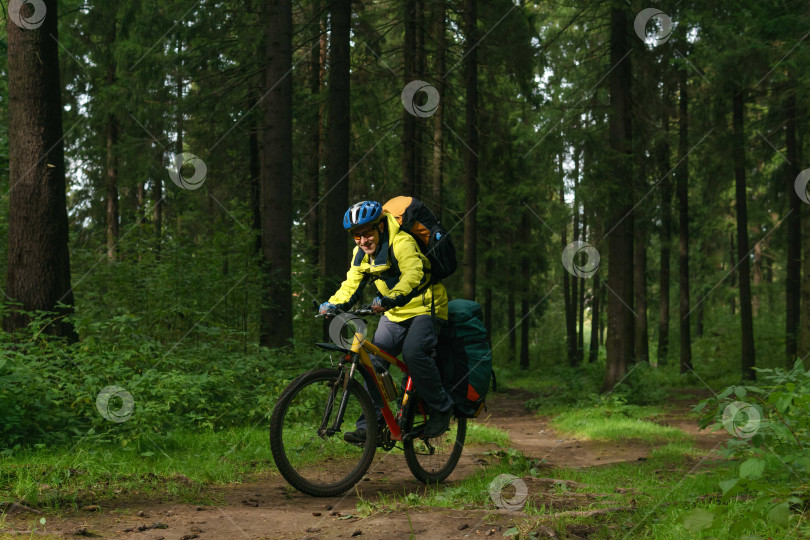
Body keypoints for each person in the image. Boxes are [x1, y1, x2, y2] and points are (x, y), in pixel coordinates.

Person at [319, 200, 453, 442]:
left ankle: (441, 408)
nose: (363, 240)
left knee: (413, 353)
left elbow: (414, 273)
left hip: (426, 307)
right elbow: (351, 284)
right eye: (356, 235)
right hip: (394, 314)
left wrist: (391, 298)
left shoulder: (401, 242)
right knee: (374, 364)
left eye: (367, 232)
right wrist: (333, 304)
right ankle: (371, 426)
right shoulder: (361, 254)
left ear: (380, 226)